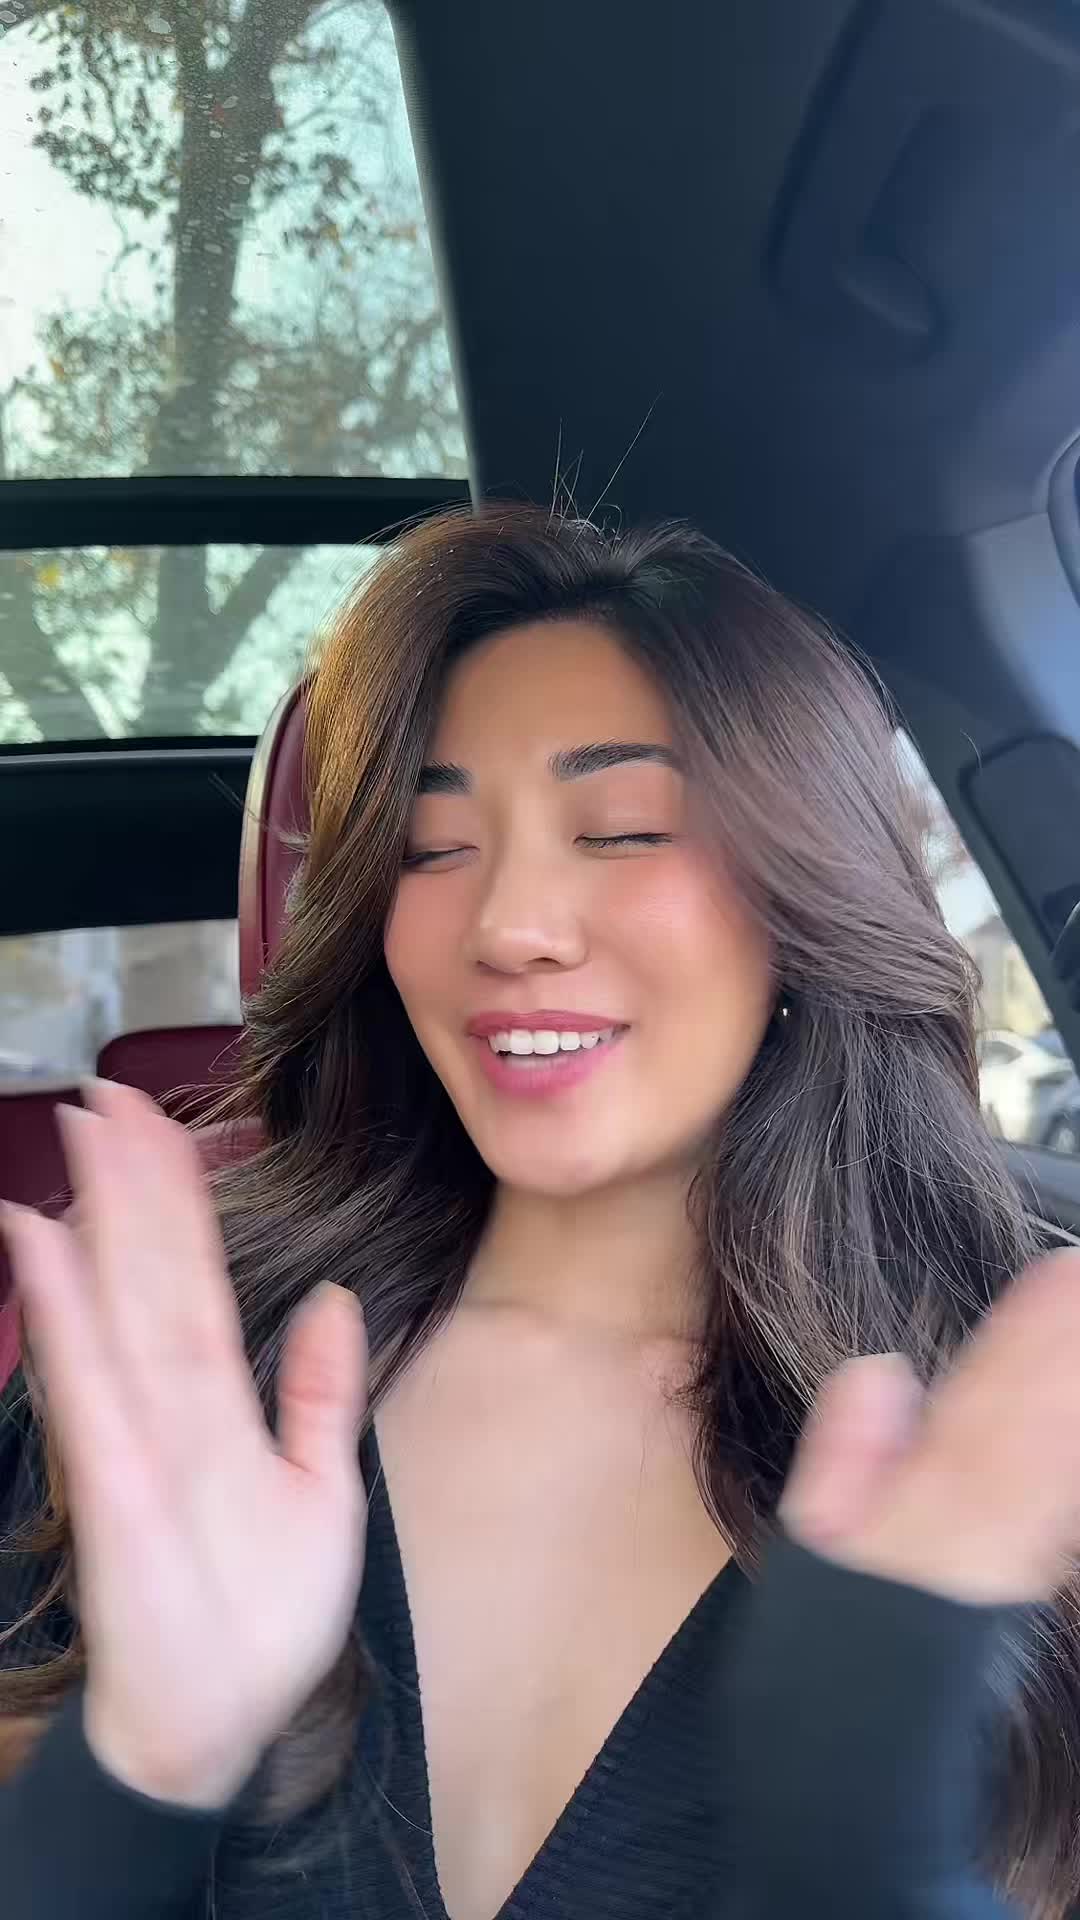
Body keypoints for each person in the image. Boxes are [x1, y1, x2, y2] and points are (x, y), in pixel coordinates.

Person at [1, 503, 1080, 1920]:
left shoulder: (1019, 1419)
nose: (509, 925)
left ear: (806, 888)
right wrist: (128, 1783)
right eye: (431, 847)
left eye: (624, 830)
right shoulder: (170, 1391)